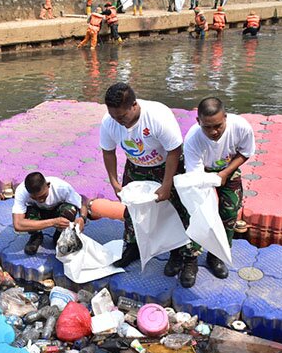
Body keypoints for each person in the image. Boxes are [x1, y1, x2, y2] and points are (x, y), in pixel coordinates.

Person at [99, 83, 190, 274]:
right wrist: (114, 182)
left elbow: (174, 151)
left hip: (166, 165)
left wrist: (166, 185)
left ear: (133, 105)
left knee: (174, 209)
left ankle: (177, 253)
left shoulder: (158, 116)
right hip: (136, 166)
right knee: (132, 208)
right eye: (114, 117)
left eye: (122, 116)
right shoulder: (110, 121)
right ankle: (132, 246)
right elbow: (108, 152)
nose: (118, 121)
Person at [183, 97, 255, 284]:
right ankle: (190, 258)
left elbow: (245, 153)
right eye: (207, 127)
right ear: (198, 122)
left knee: (230, 211)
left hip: (228, 169)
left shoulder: (241, 127)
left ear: (226, 117)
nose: (214, 132)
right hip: (201, 173)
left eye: (218, 126)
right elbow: (195, 174)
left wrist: (224, 173)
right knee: (197, 213)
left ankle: (217, 254)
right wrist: (210, 184)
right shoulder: (192, 139)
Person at [12, 172, 88, 255]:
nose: (40, 200)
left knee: (70, 209)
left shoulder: (62, 187)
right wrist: (53, 222)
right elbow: (18, 225)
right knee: (27, 213)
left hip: (57, 210)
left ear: (48, 185)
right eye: (34, 198)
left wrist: (82, 218)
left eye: (42, 196)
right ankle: (36, 236)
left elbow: (81, 203)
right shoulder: (21, 191)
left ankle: (59, 235)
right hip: (38, 213)